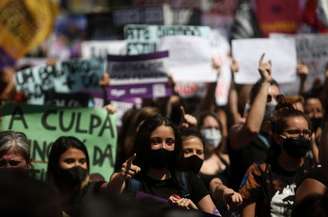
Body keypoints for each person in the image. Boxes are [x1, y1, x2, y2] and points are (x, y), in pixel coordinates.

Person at [109, 115, 220, 215]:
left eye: (169, 142)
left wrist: (193, 211)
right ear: (145, 143)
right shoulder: (129, 180)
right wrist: (121, 177)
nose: (163, 147)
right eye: (156, 141)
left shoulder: (188, 179)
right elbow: (108, 201)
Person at [239, 101, 314, 217]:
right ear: (278, 138)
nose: (301, 137)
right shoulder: (258, 173)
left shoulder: (315, 172)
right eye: (294, 132)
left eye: (306, 132)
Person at [228, 54, 281, 190]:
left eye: (277, 98)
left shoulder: (282, 133)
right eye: (267, 98)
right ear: (253, 101)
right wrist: (265, 82)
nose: (273, 103)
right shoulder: (238, 129)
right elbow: (251, 129)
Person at [179, 127, 242, 214]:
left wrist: (224, 191)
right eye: (188, 151)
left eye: (199, 152)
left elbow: (216, 184)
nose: (194, 155)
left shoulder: (201, 179)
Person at [46, 136, 110, 216]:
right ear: (55, 164)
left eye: (82, 161)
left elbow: (113, 187)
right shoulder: (43, 198)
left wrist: (121, 176)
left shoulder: (94, 191)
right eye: (69, 161)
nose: (77, 165)